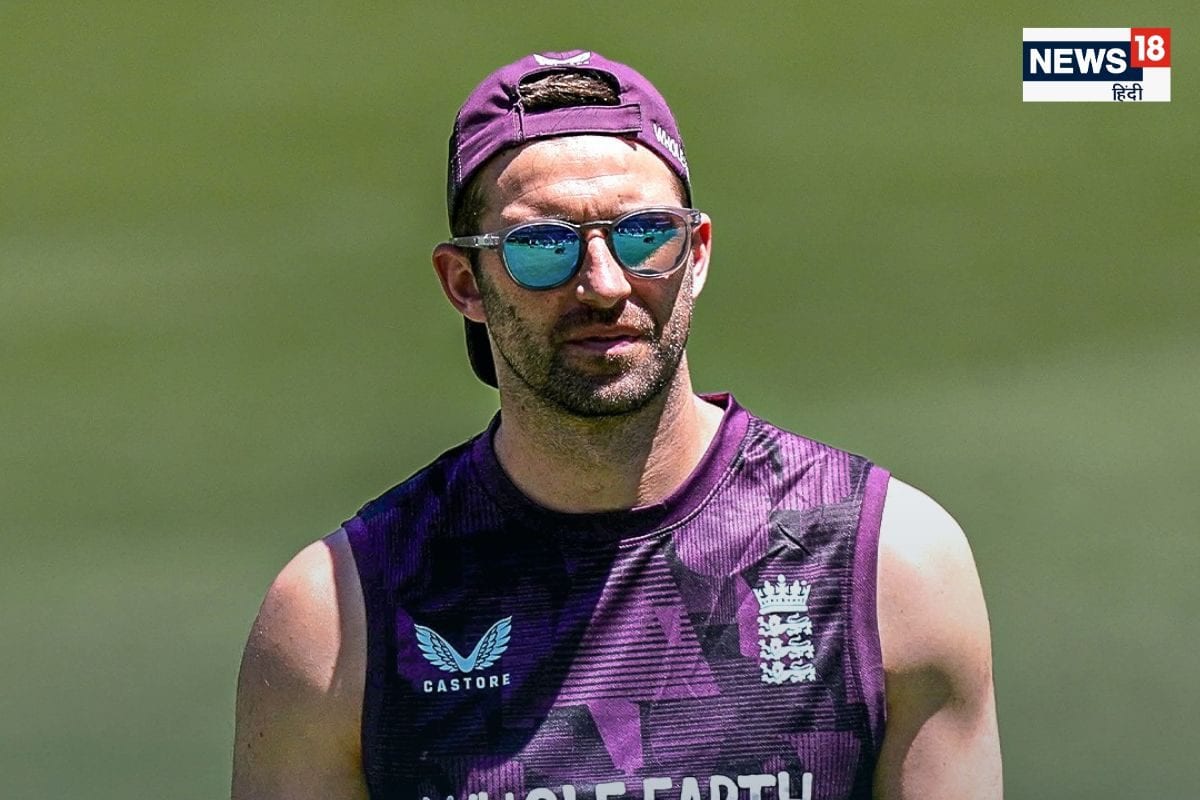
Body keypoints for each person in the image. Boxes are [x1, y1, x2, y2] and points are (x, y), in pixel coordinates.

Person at [231, 50, 1002, 800]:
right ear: (464, 282)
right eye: (542, 246)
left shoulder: (888, 566)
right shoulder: (339, 620)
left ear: (697, 253)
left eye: (644, 235)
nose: (603, 284)